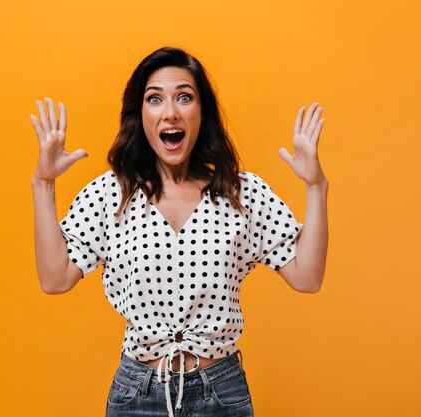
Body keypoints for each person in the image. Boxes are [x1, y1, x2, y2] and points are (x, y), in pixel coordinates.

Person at [30, 47, 328, 417]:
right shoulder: (111, 194)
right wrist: (43, 183)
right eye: (155, 99)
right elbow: (55, 278)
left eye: (184, 97)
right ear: (140, 116)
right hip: (137, 394)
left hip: (221, 393)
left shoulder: (242, 193)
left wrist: (316, 186)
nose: (170, 111)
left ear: (202, 112)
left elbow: (308, 276)